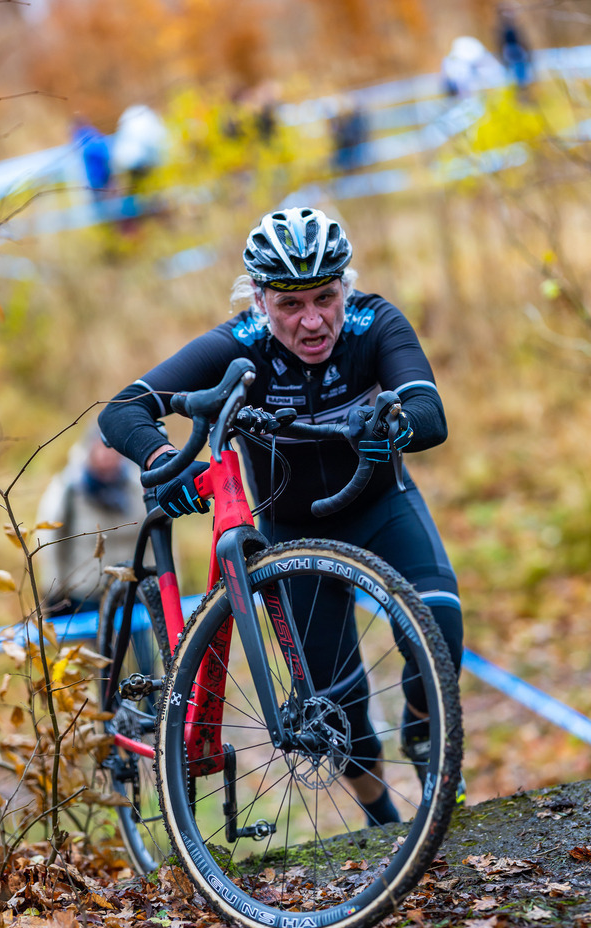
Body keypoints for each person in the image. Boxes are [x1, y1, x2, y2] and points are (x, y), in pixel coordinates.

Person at [98, 206, 465, 824]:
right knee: (338, 714)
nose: (312, 320)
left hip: (381, 508)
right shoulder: (239, 344)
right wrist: (165, 459)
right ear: (259, 300)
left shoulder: (375, 323)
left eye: (325, 298)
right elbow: (121, 411)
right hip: (292, 534)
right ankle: (383, 822)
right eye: (290, 305)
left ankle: (426, 733)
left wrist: (392, 425)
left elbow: (431, 414)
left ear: (345, 287)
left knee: (441, 631)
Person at [36, 428, 146, 615]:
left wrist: (163, 584)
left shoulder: (138, 486)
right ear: (89, 450)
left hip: (132, 591)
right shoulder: (69, 488)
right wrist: (54, 591)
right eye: (101, 448)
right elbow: (50, 541)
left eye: (112, 449)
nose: (107, 455)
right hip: (84, 595)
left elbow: (152, 539)